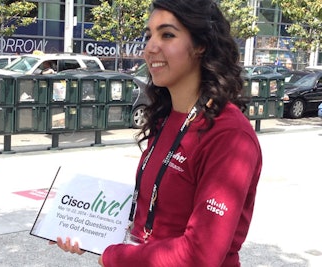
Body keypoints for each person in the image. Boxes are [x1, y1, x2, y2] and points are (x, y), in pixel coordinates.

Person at [55, 0, 262, 266]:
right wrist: (91, 231)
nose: (151, 48)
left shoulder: (229, 136)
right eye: (148, 35)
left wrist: (114, 256)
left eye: (167, 34)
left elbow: (200, 255)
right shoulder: (165, 117)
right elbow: (153, 218)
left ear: (201, 45)